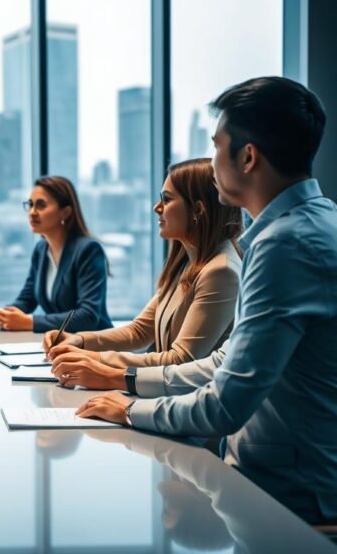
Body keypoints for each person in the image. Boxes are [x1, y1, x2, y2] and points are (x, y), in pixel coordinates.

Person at [53, 76, 337, 524]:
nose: (211, 161)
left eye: (216, 146)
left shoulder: (287, 244)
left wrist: (129, 409)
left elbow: (227, 401)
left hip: (291, 500)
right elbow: (225, 360)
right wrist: (125, 383)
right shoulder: (301, 227)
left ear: (247, 157)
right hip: (277, 483)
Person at [44, 159, 242, 367]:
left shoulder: (220, 272)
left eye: (166, 199)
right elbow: (138, 331)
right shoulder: (187, 261)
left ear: (198, 209)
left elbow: (180, 359)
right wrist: (80, 341)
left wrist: (92, 358)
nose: (157, 208)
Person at [0, 176, 113, 333]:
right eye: (30, 205)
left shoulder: (88, 250)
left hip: (95, 347)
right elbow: (27, 299)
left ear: (65, 213)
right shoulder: (41, 250)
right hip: (63, 346)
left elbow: (88, 316)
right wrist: (6, 314)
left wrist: (29, 322)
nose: (32, 212)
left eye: (41, 205)